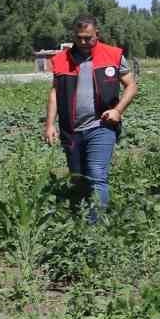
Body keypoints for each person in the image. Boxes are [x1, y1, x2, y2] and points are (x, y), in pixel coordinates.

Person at [44, 15, 137, 221]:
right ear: (73, 36)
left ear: (97, 34)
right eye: (79, 38)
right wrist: (50, 124)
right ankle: (80, 219)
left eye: (88, 37)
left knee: (96, 174)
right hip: (71, 130)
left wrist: (118, 110)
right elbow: (55, 92)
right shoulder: (61, 59)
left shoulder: (113, 55)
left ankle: (95, 227)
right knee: (78, 179)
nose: (83, 42)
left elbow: (131, 86)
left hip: (102, 126)